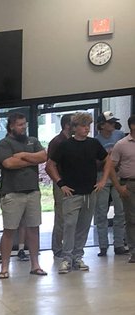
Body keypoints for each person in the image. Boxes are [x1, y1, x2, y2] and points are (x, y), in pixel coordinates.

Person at [45, 112, 117, 274]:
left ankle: (78, 256)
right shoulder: (65, 145)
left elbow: (108, 160)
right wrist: (60, 183)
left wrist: (103, 180)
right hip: (71, 192)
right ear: (74, 128)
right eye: (84, 126)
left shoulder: (93, 143)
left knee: (84, 226)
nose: (87, 129)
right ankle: (66, 257)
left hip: (90, 191)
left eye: (88, 126)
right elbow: (50, 165)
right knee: (69, 225)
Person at [0, 112, 47, 279]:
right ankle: (4, 267)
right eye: (20, 124)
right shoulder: (4, 143)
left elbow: (43, 156)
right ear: (11, 126)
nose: (23, 127)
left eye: (25, 124)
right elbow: (9, 163)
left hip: (33, 191)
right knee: (9, 230)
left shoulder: (33, 140)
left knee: (34, 228)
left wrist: (23, 155)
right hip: (12, 193)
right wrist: (32, 159)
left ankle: (35, 265)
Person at [93, 111, 127, 255]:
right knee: (101, 211)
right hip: (102, 176)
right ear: (102, 125)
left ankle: (119, 244)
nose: (113, 124)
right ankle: (103, 245)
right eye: (110, 122)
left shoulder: (120, 135)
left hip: (118, 174)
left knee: (121, 211)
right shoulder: (96, 141)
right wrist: (107, 157)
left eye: (114, 122)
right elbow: (94, 162)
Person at [109, 114, 135, 263]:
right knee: (131, 219)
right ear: (132, 126)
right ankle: (134, 251)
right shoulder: (121, 144)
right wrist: (118, 186)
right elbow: (111, 167)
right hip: (129, 183)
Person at [46, 114, 73, 258]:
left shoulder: (73, 141)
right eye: (75, 123)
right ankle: (57, 248)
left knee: (70, 217)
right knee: (61, 217)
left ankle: (68, 247)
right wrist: (59, 182)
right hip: (61, 183)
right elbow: (50, 166)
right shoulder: (57, 142)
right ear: (67, 125)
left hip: (72, 182)